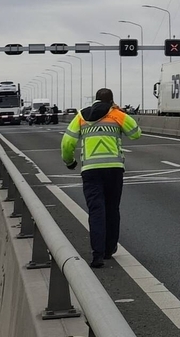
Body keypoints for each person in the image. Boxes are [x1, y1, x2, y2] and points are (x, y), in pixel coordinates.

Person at [61, 88, 142, 268]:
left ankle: (97, 254)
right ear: (111, 101)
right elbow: (136, 133)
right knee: (112, 209)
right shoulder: (116, 114)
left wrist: (70, 162)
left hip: (91, 171)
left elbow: (67, 142)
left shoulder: (81, 116)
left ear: (95, 100)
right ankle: (109, 249)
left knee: (96, 211)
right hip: (114, 169)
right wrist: (121, 112)